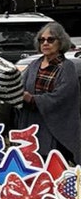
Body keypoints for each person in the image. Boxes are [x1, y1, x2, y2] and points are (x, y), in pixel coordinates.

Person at [20, 23, 81, 162]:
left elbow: (63, 97)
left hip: (55, 129)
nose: (45, 43)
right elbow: (20, 86)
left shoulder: (67, 67)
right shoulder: (34, 64)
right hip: (32, 126)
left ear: (61, 42)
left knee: (54, 168)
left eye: (50, 39)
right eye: (42, 40)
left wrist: (33, 99)